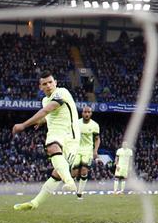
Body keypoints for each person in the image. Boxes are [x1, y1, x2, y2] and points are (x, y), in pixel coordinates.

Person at [11, 70, 81, 211]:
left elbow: (47, 110)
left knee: (57, 173)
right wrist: (42, 121)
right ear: (40, 87)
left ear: (55, 83)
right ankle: (35, 203)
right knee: (52, 148)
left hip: (71, 135)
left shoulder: (61, 92)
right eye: (45, 83)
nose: (48, 85)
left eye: (50, 82)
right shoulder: (44, 100)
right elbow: (48, 114)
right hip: (56, 133)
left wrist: (24, 125)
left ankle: (64, 183)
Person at [73, 106, 101, 199]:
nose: (87, 114)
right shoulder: (76, 123)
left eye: (89, 112)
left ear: (91, 113)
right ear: (82, 113)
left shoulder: (95, 125)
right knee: (74, 173)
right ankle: (74, 187)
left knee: (84, 171)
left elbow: (97, 139)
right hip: (76, 149)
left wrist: (95, 150)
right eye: (85, 112)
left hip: (88, 150)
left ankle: (80, 193)